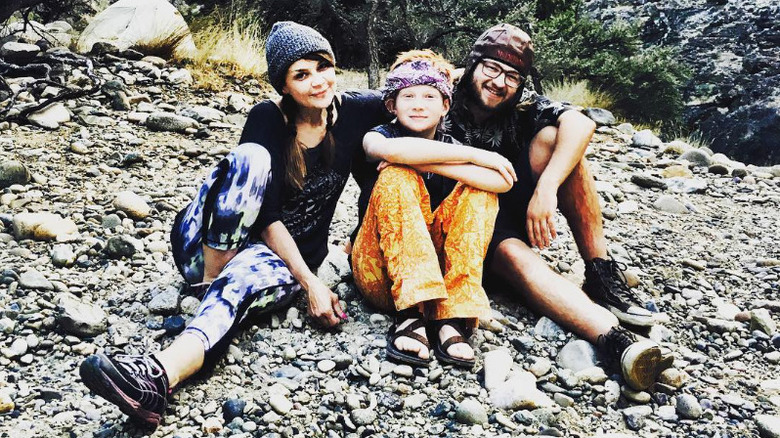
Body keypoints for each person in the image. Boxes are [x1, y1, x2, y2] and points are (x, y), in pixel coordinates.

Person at [78, 21, 390, 426]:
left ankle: (157, 375)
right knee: (251, 159)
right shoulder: (268, 117)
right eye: (302, 74)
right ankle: (212, 284)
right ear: (284, 86)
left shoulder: (356, 111)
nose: (317, 81)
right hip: (203, 244)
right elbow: (263, 214)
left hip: (274, 260)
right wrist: (314, 284)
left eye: (322, 66)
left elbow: (420, 90)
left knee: (238, 285)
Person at [443, 23, 672, 390]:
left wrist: (547, 187)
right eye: (491, 68)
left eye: (513, 76)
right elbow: (387, 110)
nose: (500, 82)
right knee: (520, 261)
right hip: (460, 222)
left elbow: (580, 124)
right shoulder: (436, 90)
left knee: (560, 142)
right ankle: (618, 343)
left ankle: (600, 272)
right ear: (472, 64)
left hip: (507, 207)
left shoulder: (521, 104)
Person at [351, 50, 514, 368]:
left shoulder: (454, 146)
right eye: (407, 95)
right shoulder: (380, 135)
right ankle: (409, 315)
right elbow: (386, 151)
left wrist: (450, 163)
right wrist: (478, 157)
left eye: (429, 95)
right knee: (397, 173)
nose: (418, 104)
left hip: (437, 280)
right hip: (381, 276)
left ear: (445, 106)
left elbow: (501, 181)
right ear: (391, 106)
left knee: (480, 193)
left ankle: (452, 315)